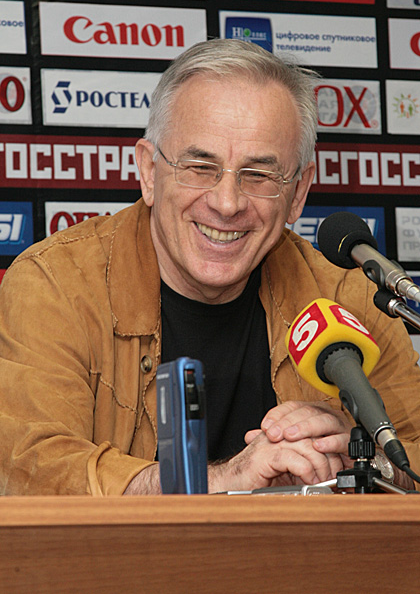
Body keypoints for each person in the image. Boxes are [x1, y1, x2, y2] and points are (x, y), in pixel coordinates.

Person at [0, 39, 419, 496]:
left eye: (258, 175)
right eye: (200, 167)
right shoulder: (56, 285)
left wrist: (364, 459)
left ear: (298, 193)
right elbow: (31, 472)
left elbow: (414, 452)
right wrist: (223, 480)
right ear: (149, 171)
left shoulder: (350, 298)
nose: (227, 203)